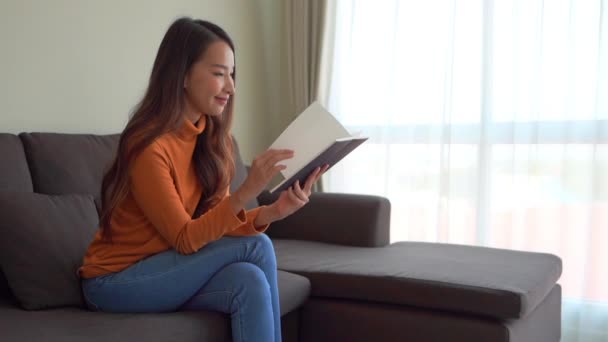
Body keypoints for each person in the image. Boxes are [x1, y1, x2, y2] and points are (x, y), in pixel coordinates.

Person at [78, 17, 328, 342]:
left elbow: (216, 224)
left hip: (167, 268)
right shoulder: (148, 147)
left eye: (232, 75)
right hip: (114, 282)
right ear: (183, 76)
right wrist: (248, 189)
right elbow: (185, 238)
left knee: (248, 281)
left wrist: (272, 211)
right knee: (257, 245)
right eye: (218, 74)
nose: (231, 87)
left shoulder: (211, 141)